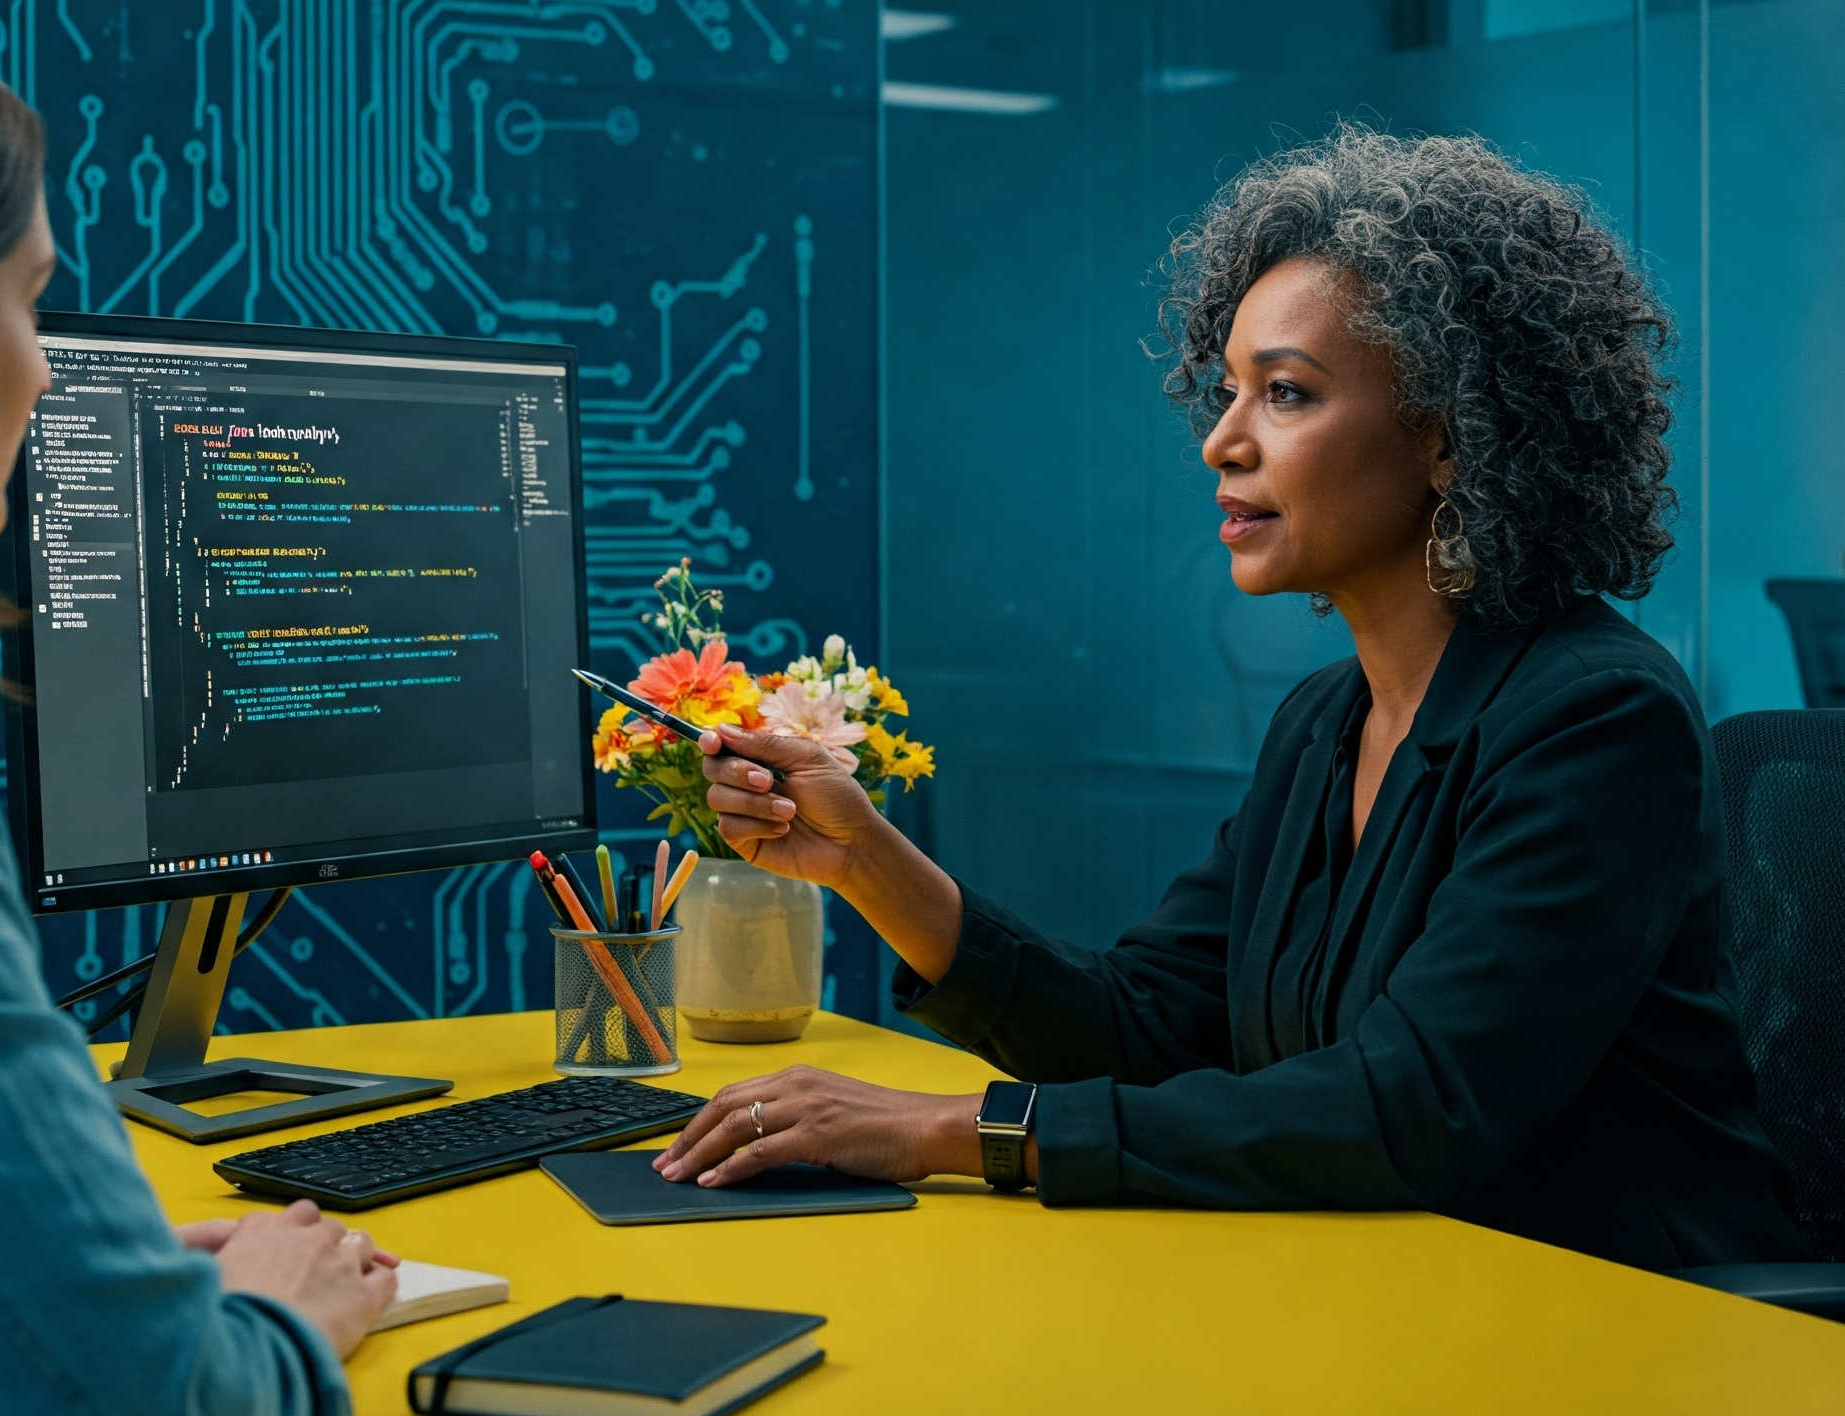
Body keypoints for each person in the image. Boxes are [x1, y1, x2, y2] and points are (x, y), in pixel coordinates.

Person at [654, 126, 1808, 1272]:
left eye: (1287, 394)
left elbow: (1414, 1108)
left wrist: (951, 1131)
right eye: (1227, 393)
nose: (1220, 442)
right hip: (1379, 1289)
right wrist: (864, 859)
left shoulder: (1598, 718)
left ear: (1452, 437)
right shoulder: (1324, 723)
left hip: (1616, 1313)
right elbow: (1143, 1026)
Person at [0, 11, 396, 1412]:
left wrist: (62, 1276)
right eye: (31, 300)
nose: (46, 367)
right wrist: (268, 1319)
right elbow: (155, 1400)